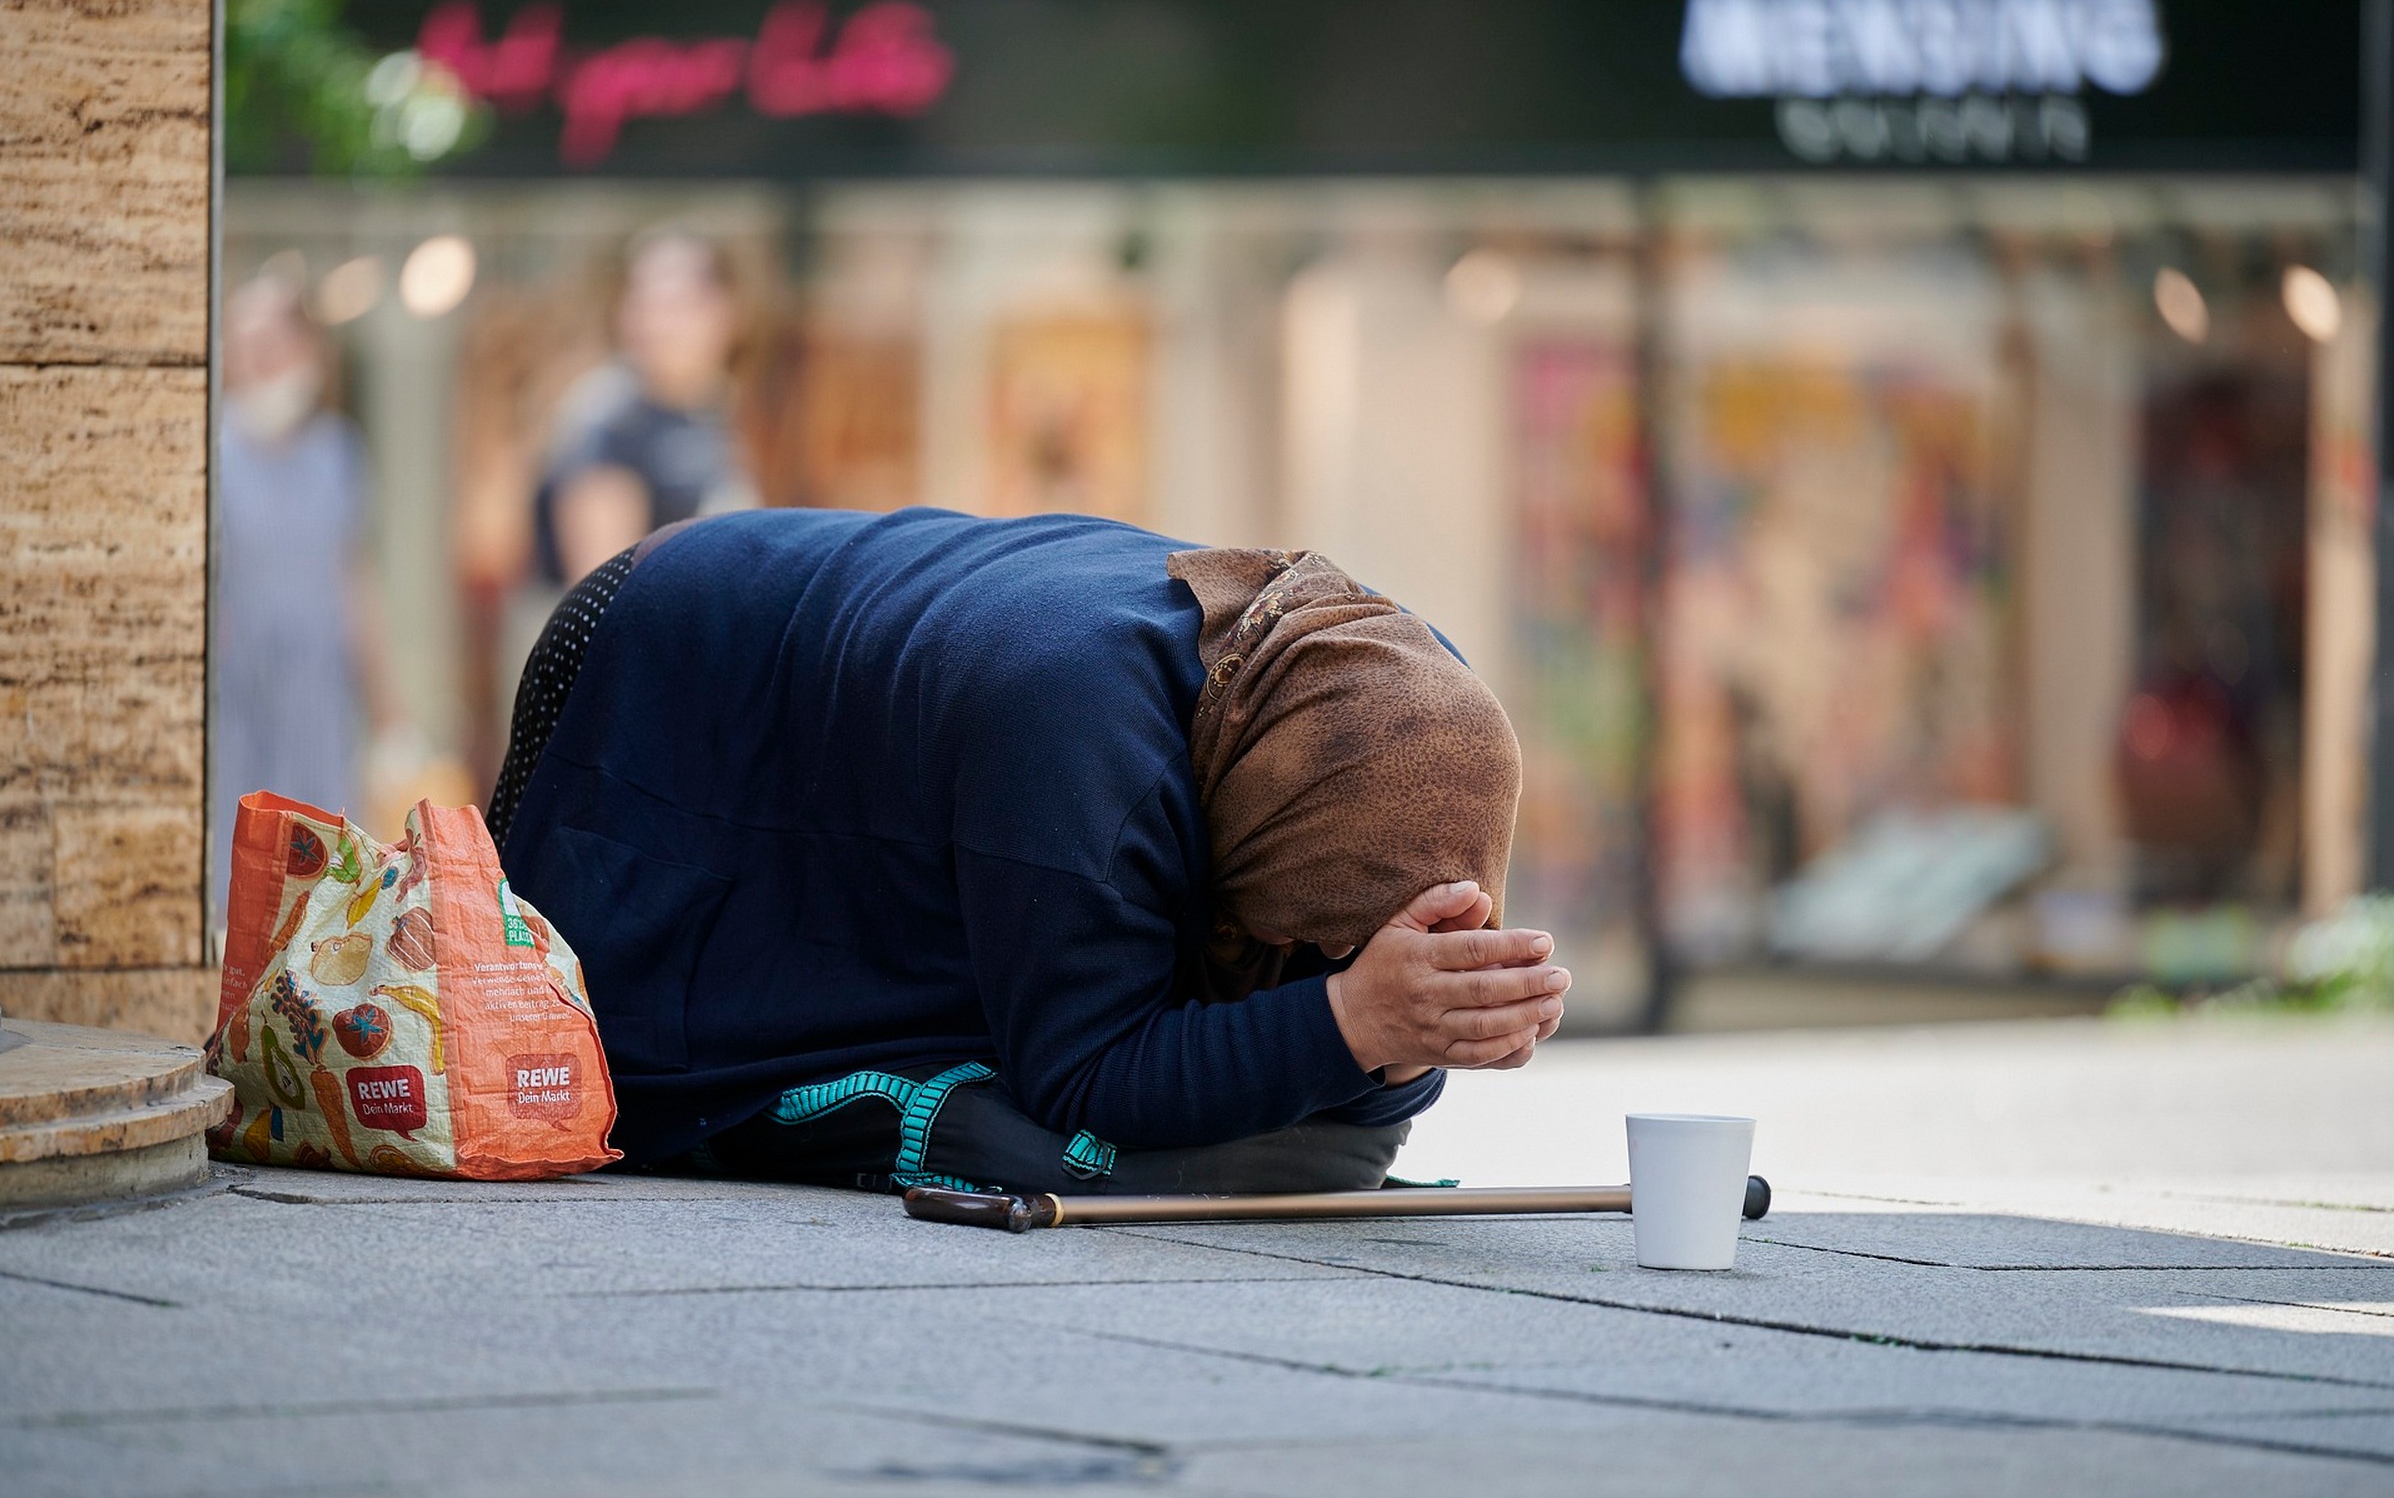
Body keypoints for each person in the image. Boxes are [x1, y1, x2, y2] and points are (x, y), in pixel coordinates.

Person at [488, 509, 1569, 1194]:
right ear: (1276, 850)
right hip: (660, 655)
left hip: (827, 661)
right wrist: (1355, 1023)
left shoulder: (1393, 694)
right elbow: (1086, 1068)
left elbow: (1329, 1045)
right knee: (575, 1032)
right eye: (1306, 942)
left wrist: (1426, 1030)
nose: (1299, 959)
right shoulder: (1082, 739)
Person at [211, 273, 399, 933]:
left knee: (318, 870)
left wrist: (389, 711)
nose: (255, 361)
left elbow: (353, 579)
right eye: (242, 344)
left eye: (270, 343)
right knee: (233, 870)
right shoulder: (213, 454)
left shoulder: (337, 455)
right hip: (235, 695)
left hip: (317, 695)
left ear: (308, 349)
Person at [532, 230, 754, 590]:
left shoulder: (722, 411)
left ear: (728, 311)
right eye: (644, 302)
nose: (658, 325)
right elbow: (603, 591)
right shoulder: (609, 419)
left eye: (679, 305)